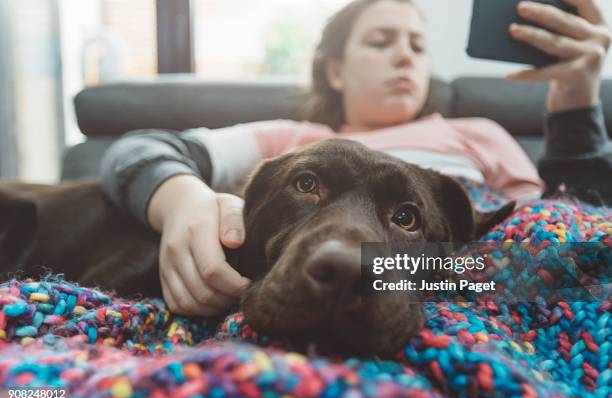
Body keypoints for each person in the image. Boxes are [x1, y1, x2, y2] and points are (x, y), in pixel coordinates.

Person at [100, 0, 611, 316]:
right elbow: (140, 148)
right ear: (337, 70)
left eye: (416, 44)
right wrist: (183, 201)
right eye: (381, 41)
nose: (405, 55)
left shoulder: (476, 133)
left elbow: (559, 234)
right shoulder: (295, 138)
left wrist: (575, 99)